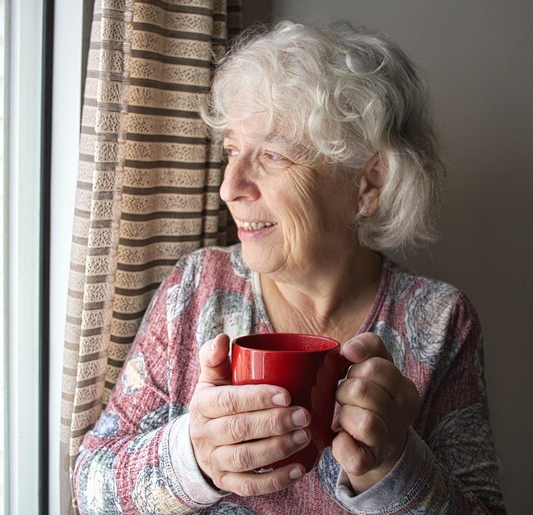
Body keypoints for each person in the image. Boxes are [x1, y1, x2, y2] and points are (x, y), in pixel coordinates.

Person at [73, 21, 505, 514]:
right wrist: (194, 457)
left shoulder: (440, 320)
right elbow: (90, 487)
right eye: (233, 151)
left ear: (368, 182)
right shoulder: (194, 289)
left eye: (273, 155)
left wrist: (394, 468)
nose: (229, 187)